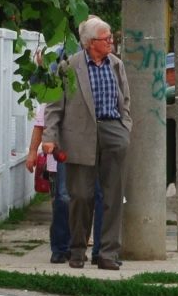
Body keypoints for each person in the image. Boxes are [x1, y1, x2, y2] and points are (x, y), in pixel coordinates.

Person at [42, 16, 132, 271]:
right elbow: (54, 107)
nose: (111, 42)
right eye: (106, 38)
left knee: (113, 196)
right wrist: (50, 137)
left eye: (111, 38)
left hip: (113, 131)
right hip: (79, 136)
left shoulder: (116, 64)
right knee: (81, 196)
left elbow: (125, 99)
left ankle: (107, 253)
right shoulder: (69, 66)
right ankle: (77, 249)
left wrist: (125, 127)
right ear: (91, 43)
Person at [25, 104, 70, 264]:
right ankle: (59, 248)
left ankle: (75, 246)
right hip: (57, 161)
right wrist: (32, 152)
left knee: (80, 203)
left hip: (80, 159)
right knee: (61, 202)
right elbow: (39, 125)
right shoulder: (54, 96)